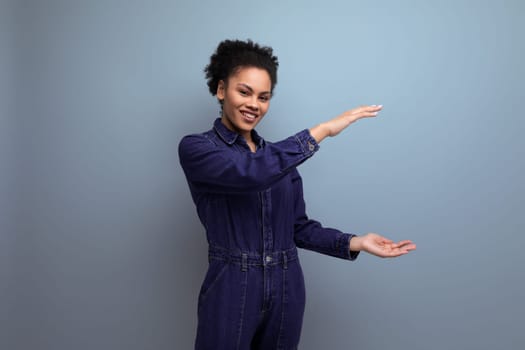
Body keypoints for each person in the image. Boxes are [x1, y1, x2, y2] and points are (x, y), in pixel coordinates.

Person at [179, 39, 416, 350]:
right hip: (232, 283)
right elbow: (249, 174)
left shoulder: (281, 161)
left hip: (287, 284)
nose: (254, 104)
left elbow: (298, 228)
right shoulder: (198, 149)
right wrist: (323, 131)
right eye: (244, 92)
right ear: (221, 89)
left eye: (264, 97)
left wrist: (356, 242)